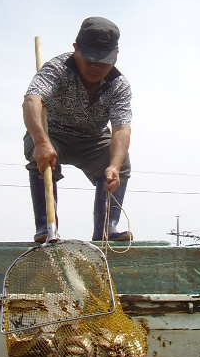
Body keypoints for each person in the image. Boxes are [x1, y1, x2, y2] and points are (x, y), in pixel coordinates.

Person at [23, 16, 133, 243]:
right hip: (53, 133)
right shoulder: (56, 68)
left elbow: (121, 129)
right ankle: (46, 227)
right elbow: (32, 101)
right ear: (76, 48)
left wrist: (114, 166)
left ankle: (106, 229)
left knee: (120, 162)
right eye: (90, 59)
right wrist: (42, 143)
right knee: (39, 154)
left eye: (103, 62)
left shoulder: (119, 85)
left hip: (93, 139)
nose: (96, 67)